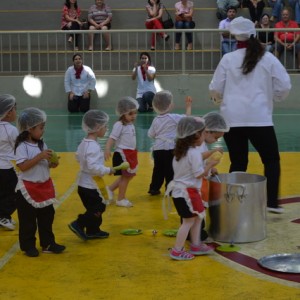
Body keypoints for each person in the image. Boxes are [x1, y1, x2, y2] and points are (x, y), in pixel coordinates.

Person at [209, 17, 291, 214]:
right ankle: (272, 202)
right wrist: (274, 97)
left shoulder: (228, 59)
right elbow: (285, 85)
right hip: (259, 118)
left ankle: (234, 204)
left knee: (238, 161)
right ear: (253, 32)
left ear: (234, 35)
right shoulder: (268, 57)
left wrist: (220, 100)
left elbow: (215, 88)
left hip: (231, 119)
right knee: (271, 160)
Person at [14, 107, 65, 257]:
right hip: (27, 188)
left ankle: (48, 243)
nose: (43, 130)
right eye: (41, 128)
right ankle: (28, 246)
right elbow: (23, 166)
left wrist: (52, 163)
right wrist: (40, 157)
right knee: (28, 221)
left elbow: (46, 162)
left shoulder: (42, 144)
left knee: (47, 217)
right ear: (30, 129)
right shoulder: (22, 146)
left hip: (43, 186)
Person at [166, 117, 217, 260]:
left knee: (197, 217)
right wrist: (210, 165)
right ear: (196, 136)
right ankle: (177, 250)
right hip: (187, 193)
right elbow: (199, 174)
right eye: (203, 133)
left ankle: (196, 244)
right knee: (188, 221)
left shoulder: (181, 151)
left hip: (183, 192)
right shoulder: (193, 153)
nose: (204, 136)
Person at [68, 110, 115, 241]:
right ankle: (79, 223)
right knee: (98, 207)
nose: (106, 128)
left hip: (84, 183)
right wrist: (107, 170)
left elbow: (78, 157)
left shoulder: (84, 143)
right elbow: (93, 168)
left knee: (94, 208)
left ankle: (93, 230)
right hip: (89, 185)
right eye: (105, 126)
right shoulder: (93, 146)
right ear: (97, 127)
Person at [147, 91, 192, 196]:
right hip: (170, 149)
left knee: (158, 169)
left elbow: (151, 134)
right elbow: (187, 119)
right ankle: (170, 189)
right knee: (170, 169)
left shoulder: (155, 120)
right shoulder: (174, 117)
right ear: (169, 105)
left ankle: (154, 188)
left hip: (158, 150)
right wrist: (188, 106)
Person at [198, 111, 229, 241]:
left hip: (200, 184)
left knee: (198, 209)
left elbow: (202, 162)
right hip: (196, 184)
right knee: (195, 210)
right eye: (216, 138)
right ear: (208, 131)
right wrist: (211, 165)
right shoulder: (199, 146)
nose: (216, 141)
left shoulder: (203, 144)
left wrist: (212, 168)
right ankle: (195, 233)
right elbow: (199, 169)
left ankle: (198, 229)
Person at [104, 97, 139, 208]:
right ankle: (120, 199)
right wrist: (107, 148)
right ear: (123, 114)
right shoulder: (119, 125)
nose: (133, 116)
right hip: (122, 154)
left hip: (130, 153)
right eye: (130, 114)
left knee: (128, 176)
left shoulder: (130, 124)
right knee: (125, 177)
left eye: (135, 113)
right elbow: (112, 138)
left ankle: (110, 189)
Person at [0, 94, 18, 230]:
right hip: (5, 168)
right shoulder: (10, 129)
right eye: (14, 109)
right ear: (8, 113)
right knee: (16, 193)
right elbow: (18, 148)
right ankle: (3, 216)